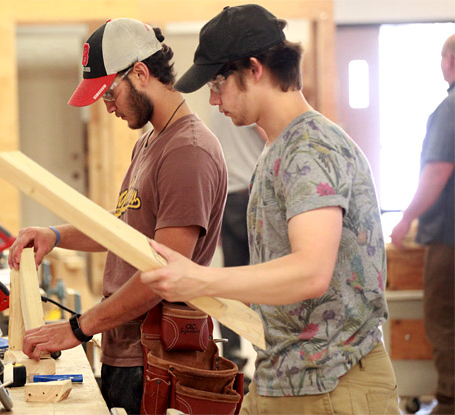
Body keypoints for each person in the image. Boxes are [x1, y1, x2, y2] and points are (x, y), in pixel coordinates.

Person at [140, 4, 399, 413]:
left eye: (218, 81)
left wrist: (201, 281)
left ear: (255, 69)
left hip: (332, 384)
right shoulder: (277, 148)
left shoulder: (310, 148)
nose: (212, 97)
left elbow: (310, 271)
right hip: (288, 377)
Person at [7, 18, 227, 413]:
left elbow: (163, 271)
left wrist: (77, 327)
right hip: (127, 351)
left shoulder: (187, 152)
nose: (106, 107)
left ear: (140, 73)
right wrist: (55, 236)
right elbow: (126, 228)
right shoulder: (151, 142)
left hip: (156, 358)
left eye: (109, 93)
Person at [391, 33, 454, 415]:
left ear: (448, 62)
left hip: (449, 238)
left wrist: (406, 218)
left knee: (446, 323)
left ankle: (448, 402)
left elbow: (438, 171)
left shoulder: (449, 110)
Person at [212, 114, 265, 366]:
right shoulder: (248, 108)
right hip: (251, 193)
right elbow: (272, 135)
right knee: (268, 276)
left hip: (229, 199)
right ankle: (269, 349)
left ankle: (232, 356)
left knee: (232, 283)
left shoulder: (218, 113)